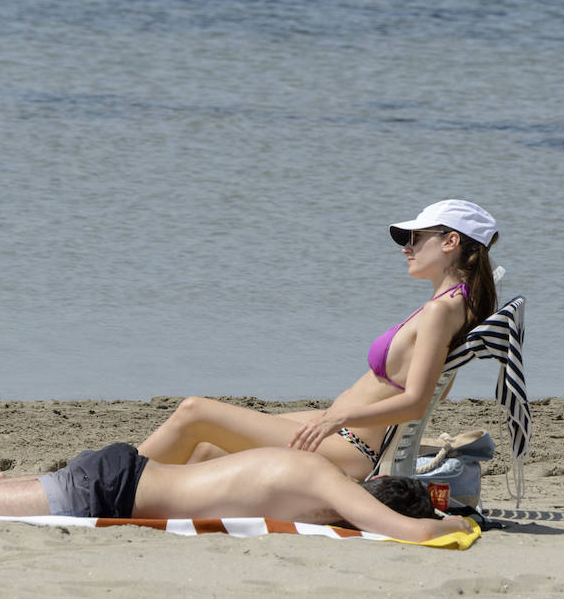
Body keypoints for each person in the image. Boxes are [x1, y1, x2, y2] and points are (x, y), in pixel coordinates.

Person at [136, 199, 500, 480]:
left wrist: (337, 418)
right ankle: (142, 492)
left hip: (351, 446)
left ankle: (111, 480)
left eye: (417, 238)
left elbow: (416, 403)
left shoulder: (442, 311)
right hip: (343, 431)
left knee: (193, 412)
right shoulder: (454, 304)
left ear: (451, 241)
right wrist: (335, 418)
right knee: (206, 450)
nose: (407, 247)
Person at [0, 443, 474, 543]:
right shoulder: (326, 488)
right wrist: (452, 527)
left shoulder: (320, 475)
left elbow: (212, 456)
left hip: (124, 474)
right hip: (109, 486)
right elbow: (398, 530)